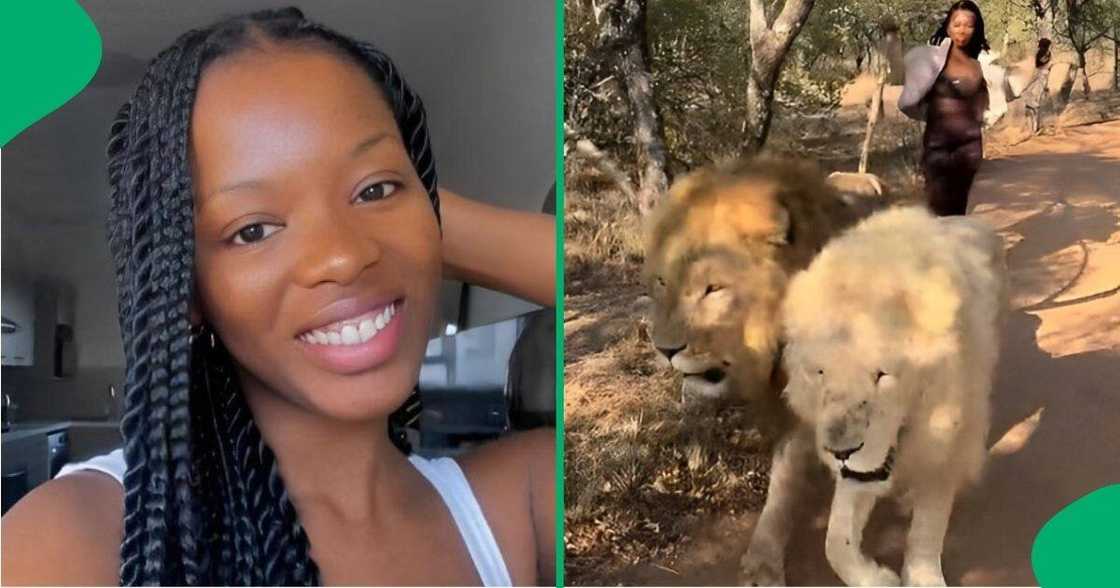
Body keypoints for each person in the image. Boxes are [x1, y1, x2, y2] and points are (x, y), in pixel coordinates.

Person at [0, 7, 555, 586]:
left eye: (377, 188)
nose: (340, 256)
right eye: (252, 230)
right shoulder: (76, 539)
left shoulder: (519, 500)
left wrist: (414, 220)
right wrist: (374, 195)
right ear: (185, 286)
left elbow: (626, 277)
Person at [898, 0, 992, 216]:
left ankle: (956, 248)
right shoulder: (931, 60)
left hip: (970, 148)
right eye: (957, 24)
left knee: (959, 209)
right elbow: (910, 98)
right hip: (938, 146)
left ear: (976, 29)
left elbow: (984, 104)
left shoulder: (978, 64)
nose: (962, 30)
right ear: (947, 26)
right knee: (937, 207)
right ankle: (935, 249)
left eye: (969, 25)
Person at [1022, 38, 1054, 135]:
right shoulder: (1046, 54)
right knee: (1036, 105)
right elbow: (1042, 66)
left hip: (1038, 77)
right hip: (1041, 77)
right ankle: (1035, 129)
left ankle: (1032, 128)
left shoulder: (1040, 54)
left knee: (1032, 105)